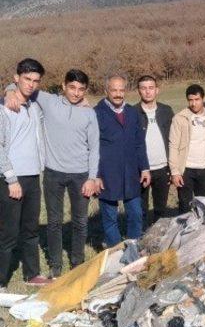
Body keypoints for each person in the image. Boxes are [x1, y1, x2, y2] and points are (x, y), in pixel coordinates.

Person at [5, 68, 100, 277]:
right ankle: (55, 265)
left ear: (85, 91)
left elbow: (94, 148)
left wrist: (92, 178)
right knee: (54, 221)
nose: (76, 93)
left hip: (81, 175)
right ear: (64, 86)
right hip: (53, 174)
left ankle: (77, 263)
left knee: (80, 221)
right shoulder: (49, 101)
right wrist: (9, 91)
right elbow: (24, 86)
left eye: (81, 89)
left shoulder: (89, 113)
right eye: (72, 87)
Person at [0, 59, 51, 288]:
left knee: (30, 229)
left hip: (32, 177)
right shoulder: (4, 108)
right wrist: (11, 179)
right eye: (27, 79)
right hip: (11, 179)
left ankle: (32, 274)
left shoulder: (36, 106)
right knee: (9, 232)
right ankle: (1, 279)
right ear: (16, 78)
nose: (31, 84)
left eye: (36, 81)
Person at [95, 75, 151, 247]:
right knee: (110, 216)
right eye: (114, 90)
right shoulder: (96, 113)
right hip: (107, 174)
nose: (118, 94)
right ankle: (115, 249)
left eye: (121, 90)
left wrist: (145, 168)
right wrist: (95, 175)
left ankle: (133, 246)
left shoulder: (133, 113)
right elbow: (91, 147)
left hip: (131, 173)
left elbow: (139, 143)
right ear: (106, 91)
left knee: (135, 213)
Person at [169, 84, 205, 213]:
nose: (193, 103)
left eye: (197, 99)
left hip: (204, 169)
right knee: (184, 205)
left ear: (203, 99)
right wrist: (175, 171)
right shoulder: (179, 118)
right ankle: (184, 232)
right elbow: (173, 145)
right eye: (190, 100)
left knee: (204, 205)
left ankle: (201, 232)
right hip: (185, 170)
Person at [135, 75, 174, 224]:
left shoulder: (166, 111)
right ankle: (141, 237)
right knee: (140, 209)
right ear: (139, 91)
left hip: (163, 168)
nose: (147, 92)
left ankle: (159, 238)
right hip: (141, 169)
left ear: (157, 90)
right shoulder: (133, 112)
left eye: (151, 88)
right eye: (143, 88)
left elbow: (173, 139)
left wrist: (172, 167)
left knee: (160, 209)